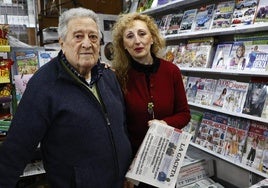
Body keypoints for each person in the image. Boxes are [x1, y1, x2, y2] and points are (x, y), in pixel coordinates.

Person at [0, 7, 132, 188]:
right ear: (62, 42)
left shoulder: (108, 77)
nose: (87, 43)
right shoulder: (43, 85)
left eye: (93, 37)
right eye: (78, 36)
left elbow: (121, 126)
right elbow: (16, 149)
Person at [112, 12, 191, 188]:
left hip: (165, 159)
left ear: (152, 38)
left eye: (142, 33)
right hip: (133, 165)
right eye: (130, 36)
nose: (137, 41)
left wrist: (165, 123)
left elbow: (184, 114)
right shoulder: (118, 76)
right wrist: (126, 169)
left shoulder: (171, 71)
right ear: (123, 45)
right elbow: (117, 126)